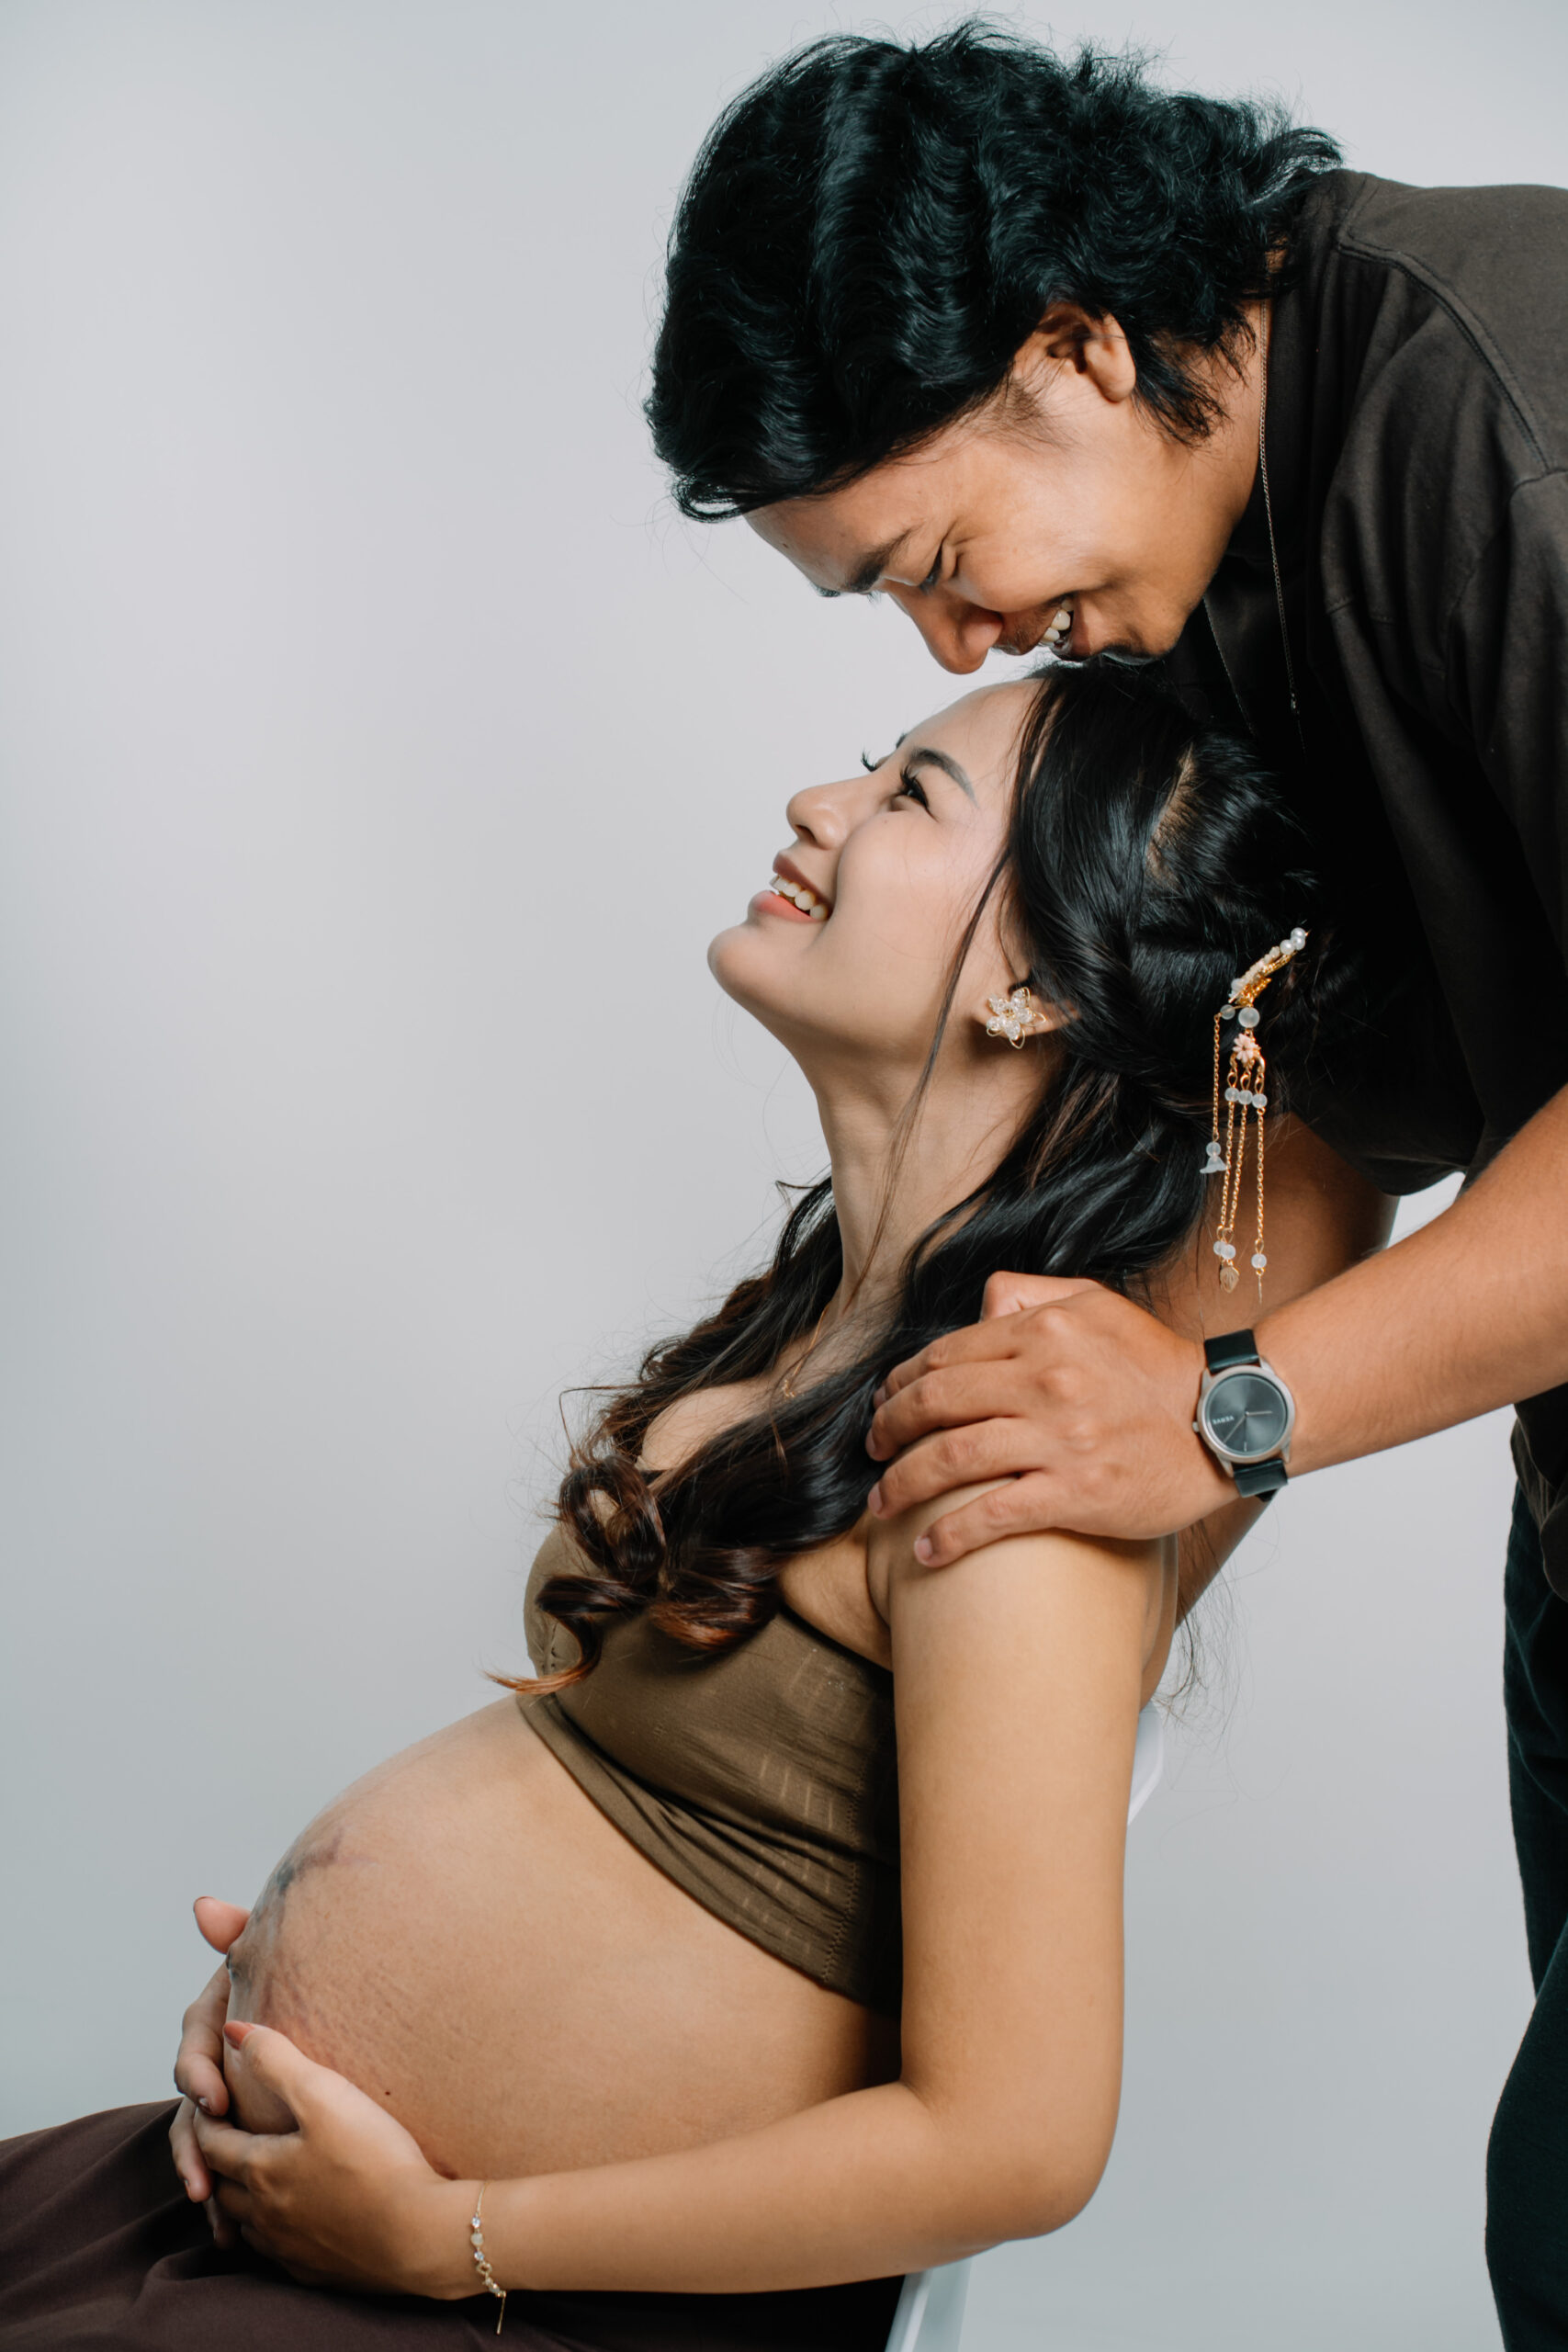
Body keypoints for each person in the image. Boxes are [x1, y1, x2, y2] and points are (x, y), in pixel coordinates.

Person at [1, 669, 1382, 2349]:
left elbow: (1018, 2146)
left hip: (526, 2303)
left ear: (1030, 984)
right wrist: (291, 1992)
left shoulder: (1015, 1459)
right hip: (320, 2229)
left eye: (911, 796)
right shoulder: (818, 1330)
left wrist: (453, 2238)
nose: (819, 804)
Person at [644, 27, 1568, 2343]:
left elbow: (1234, 1363)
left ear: (1073, 346)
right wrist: (1038, 1564)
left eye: (940, 560)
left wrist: (1225, 1413)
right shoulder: (1197, 561)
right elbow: (1318, 1120)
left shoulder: (1498, 428)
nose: (954, 650)